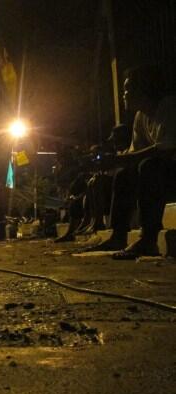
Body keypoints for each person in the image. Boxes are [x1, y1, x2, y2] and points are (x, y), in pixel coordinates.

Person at [88, 65, 176, 259]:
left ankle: (149, 238)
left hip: (169, 171)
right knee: (124, 175)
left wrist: (121, 159)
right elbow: (134, 153)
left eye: (128, 90)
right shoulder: (140, 116)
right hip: (161, 171)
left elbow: (166, 148)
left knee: (150, 166)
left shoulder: (168, 107)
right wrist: (113, 162)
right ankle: (119, 235)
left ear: (145, 89)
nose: (125, 95)